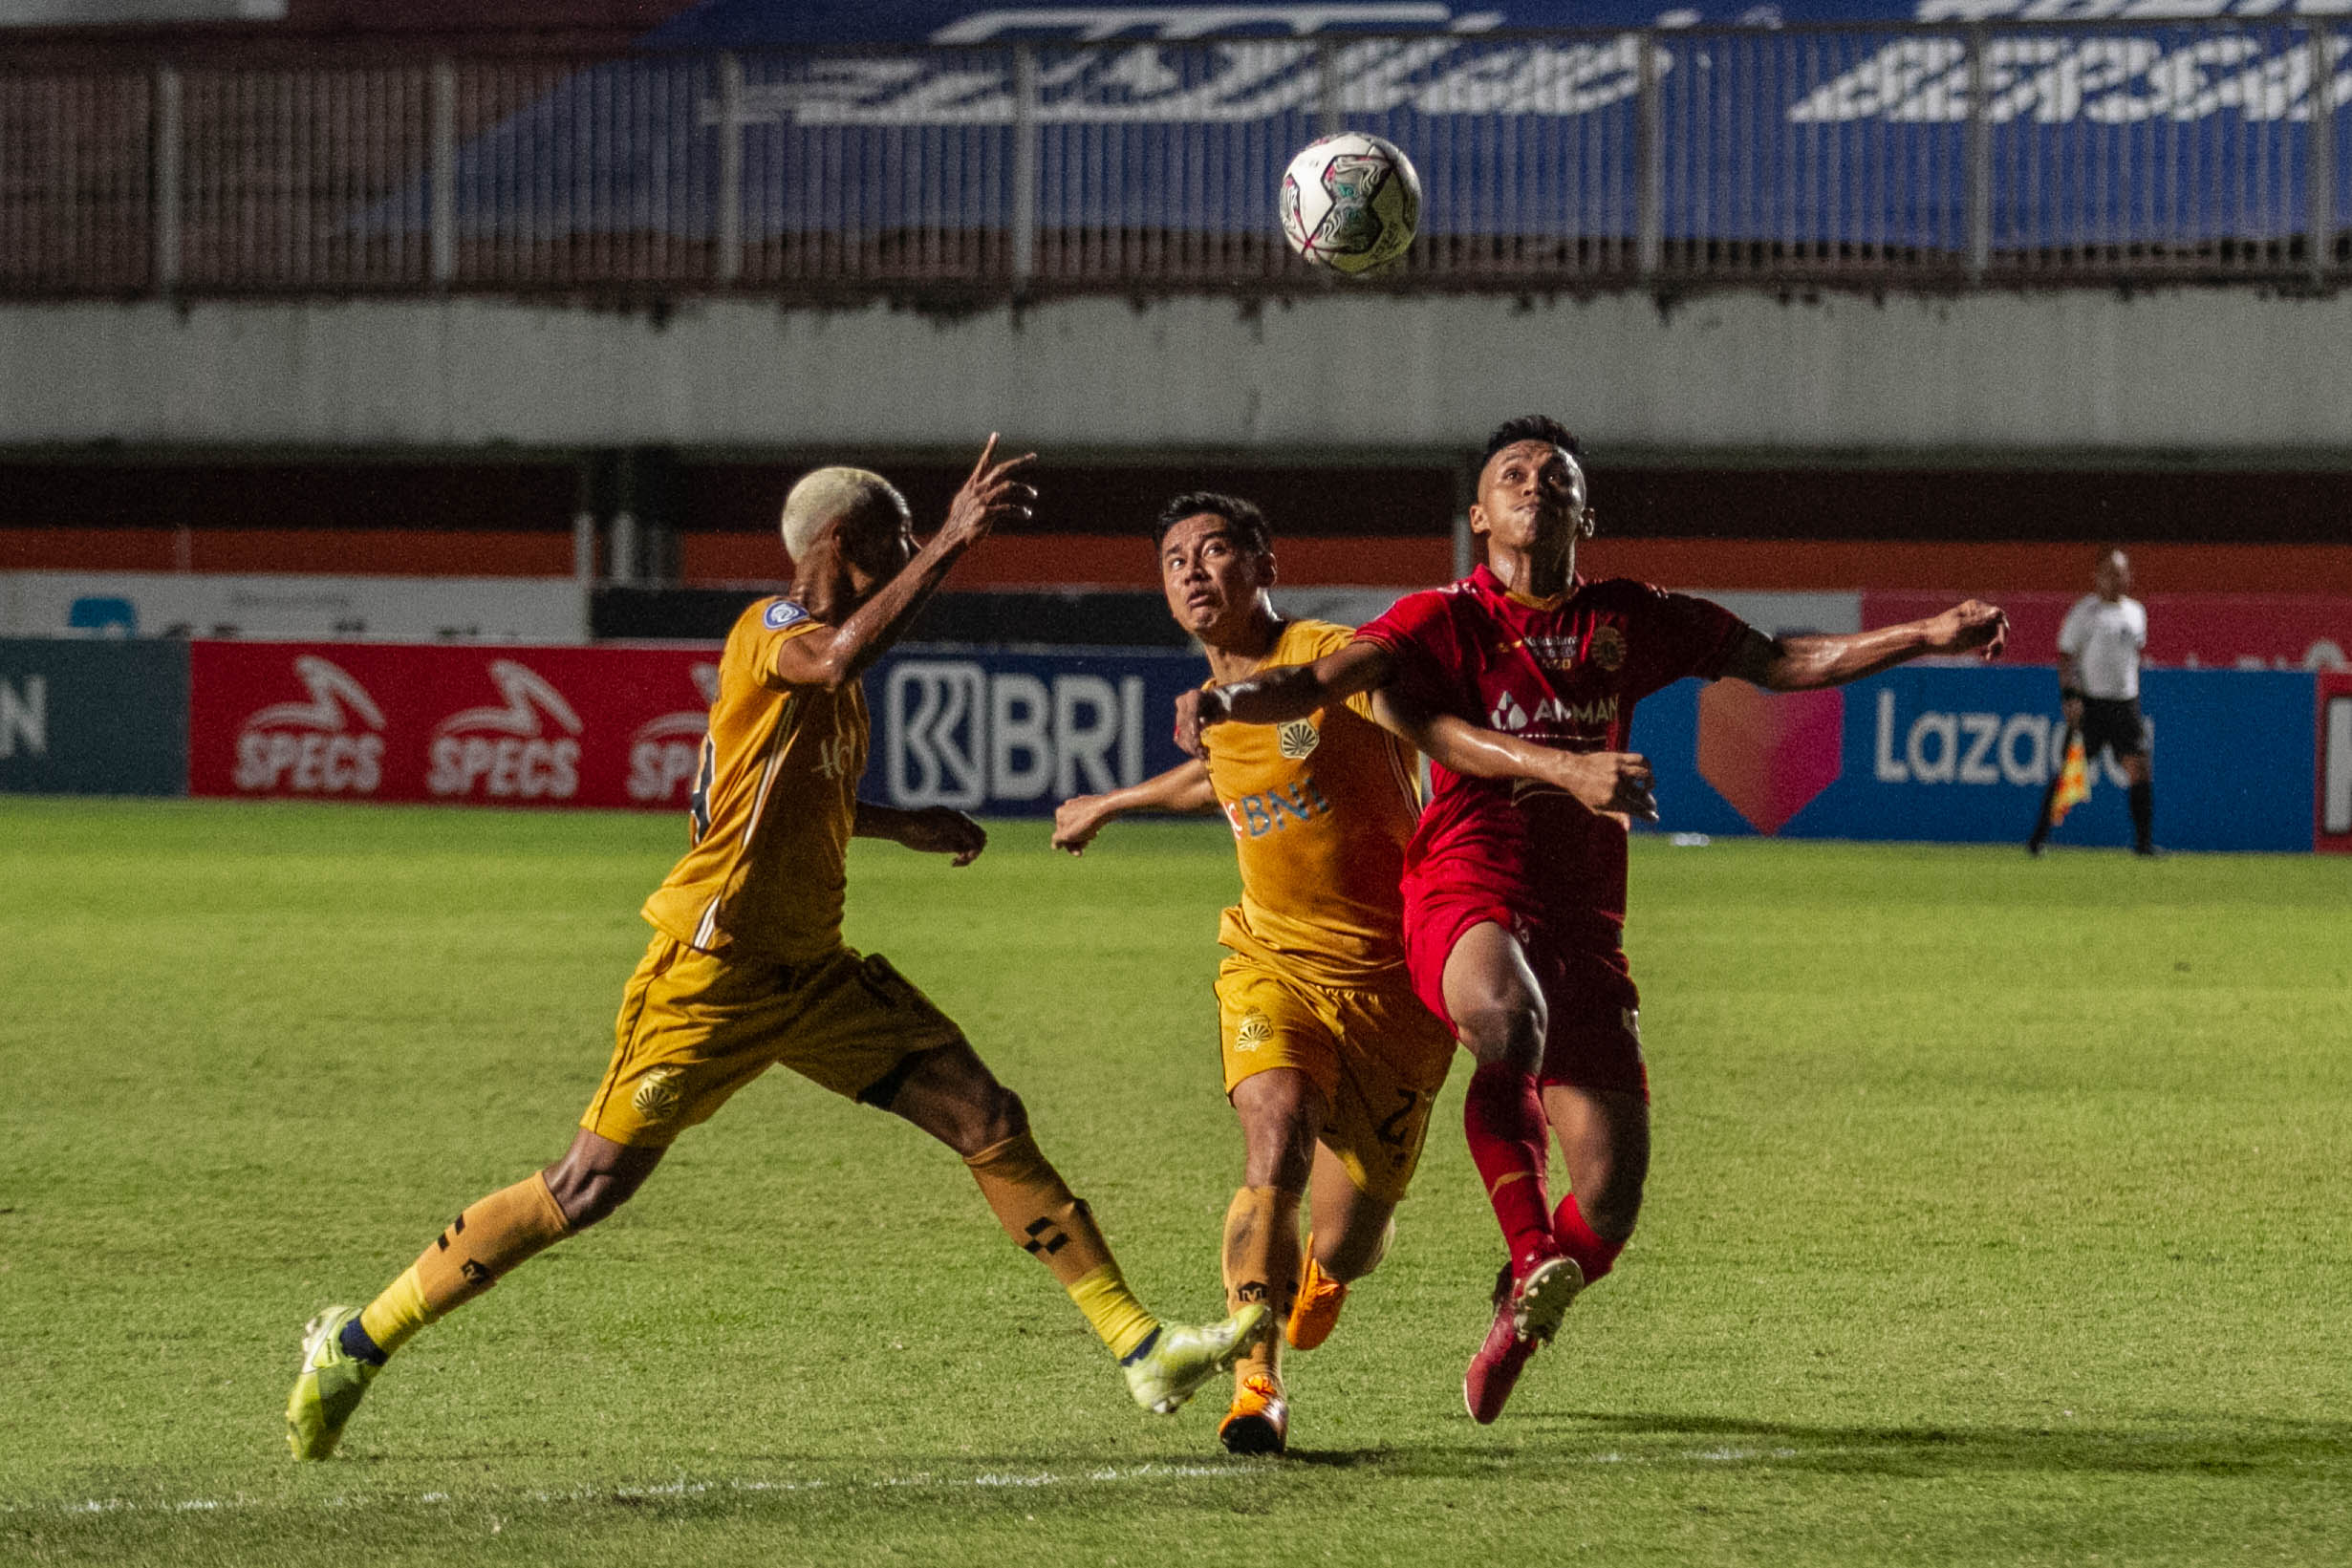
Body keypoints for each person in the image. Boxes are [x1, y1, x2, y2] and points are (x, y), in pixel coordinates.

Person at [286, 440, 1267, 1462]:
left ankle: (1136, 1344)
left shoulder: (821, 668)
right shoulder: (774, 630)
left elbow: (770, 800)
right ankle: (354, 1345)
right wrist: (954, 540)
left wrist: (901, 823)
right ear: (842, 541)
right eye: (893, 539)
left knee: (985, 1114)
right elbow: (837, 658)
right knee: (586, 1188)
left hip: (812, 972)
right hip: (712, 975)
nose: (904, 556)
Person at [1176, 416, 2008, 1424]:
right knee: (1500, 1020)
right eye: (1512, 474)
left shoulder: (1631, 617)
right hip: (1465, 876)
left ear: (1584, 509)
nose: (1535, 482)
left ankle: (1515, 1313)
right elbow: (1316, 680)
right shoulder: (1440, 620)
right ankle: (1522, 1252)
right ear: (1478, 515)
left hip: (1584, 913)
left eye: (1554, 474)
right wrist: (1233, 701)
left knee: (1610, 1199)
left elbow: (1781, 660)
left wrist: (1919, 636)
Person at [1051, 493, 1652, 1454]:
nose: (1194, 572)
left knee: (1346, 1243)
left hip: (1397, 989)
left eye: (1215, 551)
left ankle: (1322, 1272)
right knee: (1274, 1135)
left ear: (1265, 563)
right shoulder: (1217, 703)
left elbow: (1439, 730)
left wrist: (1560, 774)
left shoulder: (1336, 657)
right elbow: (1223, 771)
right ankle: (1256, 1386)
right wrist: (1116, 803)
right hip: (1272, 960)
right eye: (1175, 560)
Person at [2029, 548, 2155, 856]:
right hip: (2092, 706)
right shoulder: (2085, 612)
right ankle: (2038, 839)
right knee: (2069, 771)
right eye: (2111, 572)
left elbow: (2132, 657)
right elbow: (2067, 658)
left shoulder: (2136, 613)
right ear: (2098, 576)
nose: (2117, 578)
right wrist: (2070, 696)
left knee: (2139, 769)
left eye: (2122, 572)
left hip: (2125, 705)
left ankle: (2143, 845)